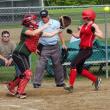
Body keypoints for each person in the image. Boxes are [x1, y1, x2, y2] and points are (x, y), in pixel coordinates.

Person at [7, 14, 62, 99]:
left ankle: (11, 86)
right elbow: (33, 33)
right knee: (27, 73)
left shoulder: (36, 30)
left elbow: (50, 35)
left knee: (24, 74)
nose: (35, 21)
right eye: (33, 20)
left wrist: (59, 29)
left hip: (24, 55)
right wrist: (46, 25)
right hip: (18, 54)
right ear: (29, 22)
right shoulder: (25, 29)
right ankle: (19, 92)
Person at [64, 8, 104, 93]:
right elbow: (78, 36)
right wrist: (71, 33)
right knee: (79, 69)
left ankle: (71, 86)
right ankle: (96, 80)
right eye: (84, 17)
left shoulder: (93, 25)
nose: (84, 19)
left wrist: (94, 33)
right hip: (82, 49)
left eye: (86, 17)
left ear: (90, 17)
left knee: (73, 64)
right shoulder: (83, 26)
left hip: (87, 50)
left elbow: (101, 36)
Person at [33, 9, 67, 88]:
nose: (44, 18)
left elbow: (60, 33)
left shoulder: (56, 23)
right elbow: (36, 37)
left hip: (55, 46)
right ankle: (36, 82)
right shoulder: (39, 25)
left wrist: (63, 44)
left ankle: (60, 82)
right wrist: (35, 47)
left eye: (45, 16)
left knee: (57, 64)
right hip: (44, 46)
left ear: (48, 16)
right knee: (40, 64)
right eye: (42, 17)